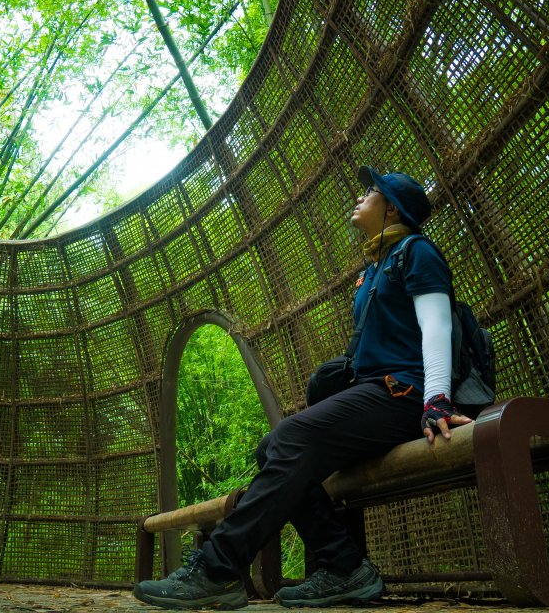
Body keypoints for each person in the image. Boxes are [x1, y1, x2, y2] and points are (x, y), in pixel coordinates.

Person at [133, 167, 472, 609]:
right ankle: (345, 567)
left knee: (289, 437)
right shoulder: (373, 270)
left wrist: (436, 400)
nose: (359, 198)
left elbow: (436, 327)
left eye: (369, 192)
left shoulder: (416, 252)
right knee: (271, 445)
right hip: (376, 394)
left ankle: (218, 569)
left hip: (405, 395)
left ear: (391, 207)